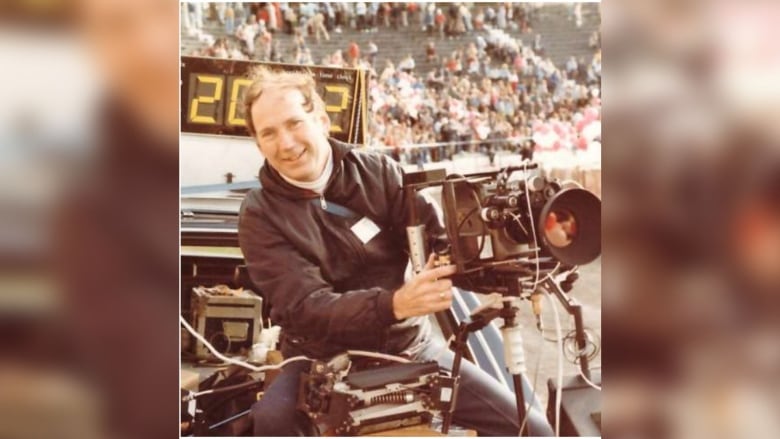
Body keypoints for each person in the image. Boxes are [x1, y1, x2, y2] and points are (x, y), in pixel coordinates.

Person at [237, 67, 554, 436]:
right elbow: (305, 307)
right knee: (269, 423)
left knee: (532, 430)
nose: (286, 143)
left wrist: (514, 265)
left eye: (294, 123)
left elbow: (443, 245)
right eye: (269, 133)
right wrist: (395, 304)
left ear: (322, 120)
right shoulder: (259, 213)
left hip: (410, 350)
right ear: (259, 144)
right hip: (318, 362)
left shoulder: (378, 170)